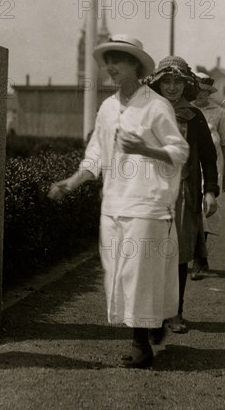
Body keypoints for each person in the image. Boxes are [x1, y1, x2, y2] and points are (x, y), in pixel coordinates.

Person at [48, 35, 189, 369]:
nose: (110, 67)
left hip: (147, 204)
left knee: (139, 273)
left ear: (136, 66)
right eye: (107, 61)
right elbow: (96, 153)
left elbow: (179, 150)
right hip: (113, 203)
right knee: (119, 274)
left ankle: (141, 344)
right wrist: (73, 180)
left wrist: (145, 149)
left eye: (118, 60)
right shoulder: (108, 108)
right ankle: (150, 323)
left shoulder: (156, 106)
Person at [148, 58, 219, 333]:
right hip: (151, 193)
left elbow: (209, 158)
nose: (172, 87)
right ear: (158, 83)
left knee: (178, 254)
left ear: (186, 85)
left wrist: (210, 191)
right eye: (167, 81)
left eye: (178, 82)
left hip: (183, 195)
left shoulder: (194, 116)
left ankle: (175, 313)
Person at [190, 72, 225, 279]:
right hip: (189, 165)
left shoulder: (218, 112)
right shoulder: (184, 109)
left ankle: (199, 260)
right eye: (198, 90)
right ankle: (195, 257)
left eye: (206, 92)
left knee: (206, 209)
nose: (202, 95)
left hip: (213, 167)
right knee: (190, 207)